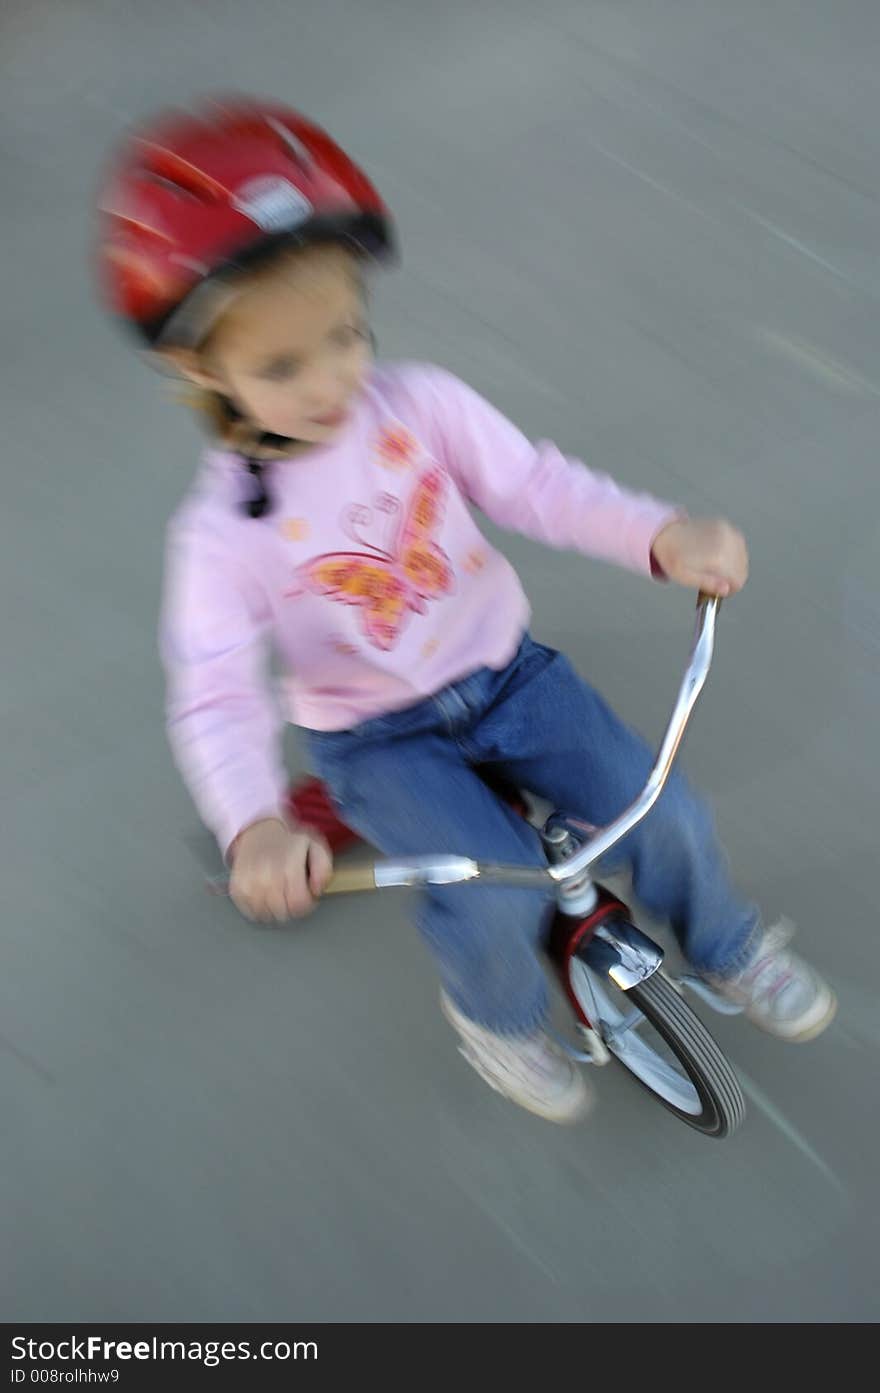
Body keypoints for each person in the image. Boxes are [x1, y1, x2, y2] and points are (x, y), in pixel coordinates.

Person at [96, 96, 836, 1123]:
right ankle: (495, 1018)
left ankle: (722, 945)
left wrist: (658, 535)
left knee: (664, 808)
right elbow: (215, 691)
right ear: (196, 370)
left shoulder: (421, 404)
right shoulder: (220, 536)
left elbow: (538, 485)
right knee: (488, 898)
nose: (332, 381)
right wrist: (252, 823)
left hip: (506, 673)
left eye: (346, 333)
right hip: (376, 738)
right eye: (280, 366)